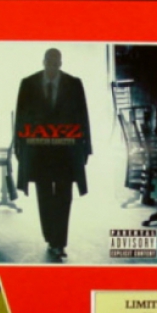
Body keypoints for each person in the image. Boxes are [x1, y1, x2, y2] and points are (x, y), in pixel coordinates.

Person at [14, 48, 92, 260]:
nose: (52, 65)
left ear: (61, 63)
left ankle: (59, 242)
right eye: (49, 61)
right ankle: (50, 236)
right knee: (44, 196)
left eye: (55, 62)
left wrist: (86, 147)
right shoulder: (28, 83)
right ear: (43, 62)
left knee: (64, 196)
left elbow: (83, 115)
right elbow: (20, 117)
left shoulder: (74, 84)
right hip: (39, 150)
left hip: (66, 150)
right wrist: (19, 147)